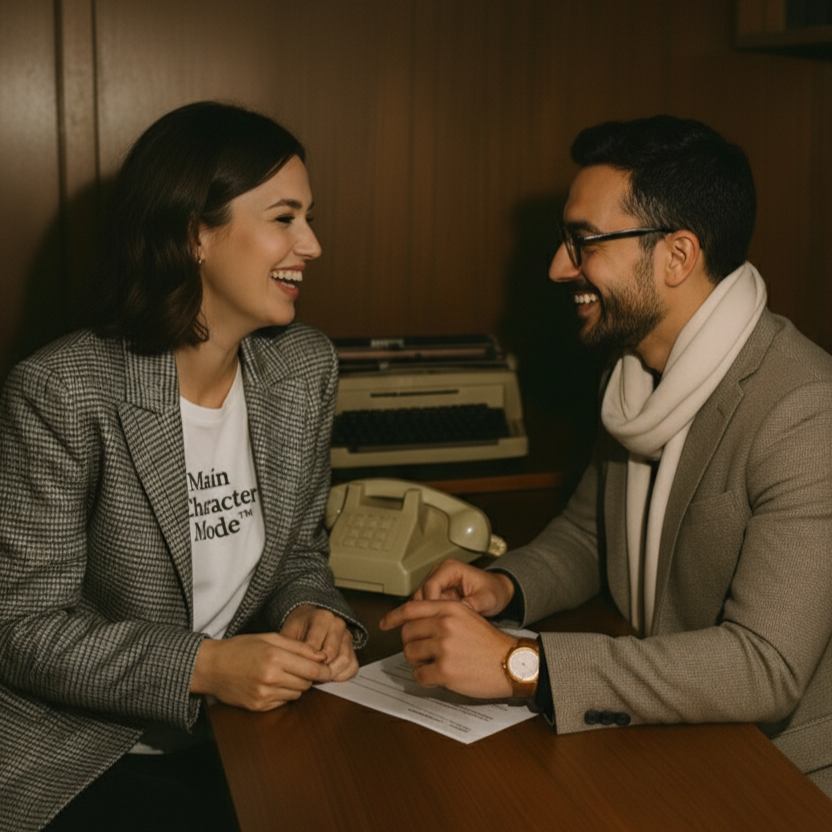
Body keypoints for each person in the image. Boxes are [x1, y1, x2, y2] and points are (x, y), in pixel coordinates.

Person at [380, 115, 832, 796]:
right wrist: (506, 586)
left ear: (677, 257)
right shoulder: (630, 373)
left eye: (583, 241)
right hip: (664, 725)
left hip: (778, 768)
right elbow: (593, 533)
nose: (559, 267)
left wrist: (522, 665)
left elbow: (764, 667)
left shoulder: (805, 411)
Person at [0, 101, 368, 832]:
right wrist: (206, 667)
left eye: (310, 217)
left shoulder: (305, 367)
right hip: (85, 750)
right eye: (285, 218)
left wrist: (312, 609)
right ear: (195, 233)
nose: (313, 245)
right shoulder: (63, 391)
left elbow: (299, 551)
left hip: (245, 730)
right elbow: (21, 627)